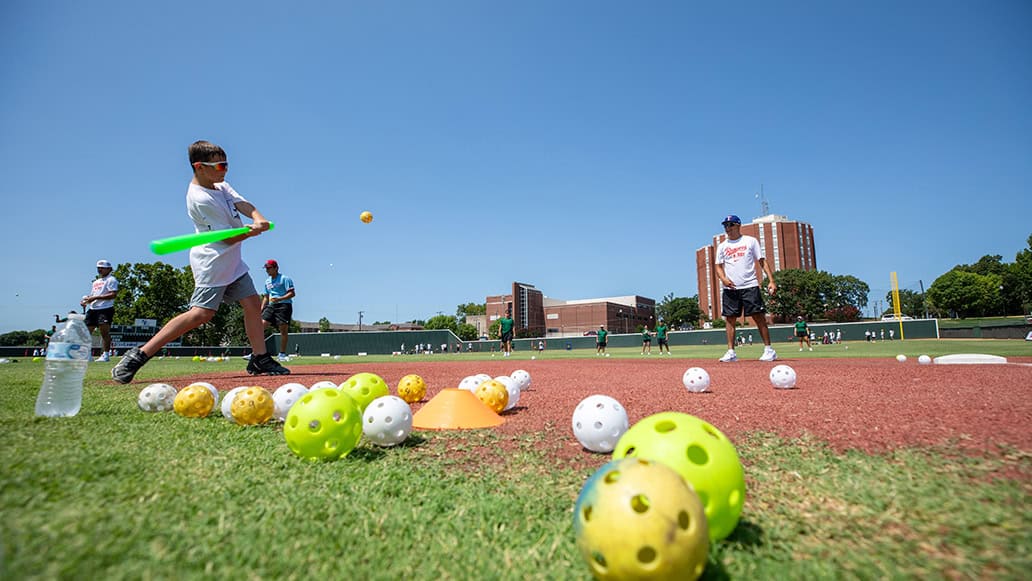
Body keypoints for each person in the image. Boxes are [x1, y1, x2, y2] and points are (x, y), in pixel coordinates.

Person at [112, 140, 289, 383]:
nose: (225, 170)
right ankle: (139, 355)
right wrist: (252, 231)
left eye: (226, 164)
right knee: (200, 315)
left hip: (233, 261)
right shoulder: (199, 198)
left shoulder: (220, 185)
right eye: (219, 166)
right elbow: (227, 239)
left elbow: (243, 204)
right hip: (212, 262)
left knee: (251, 303)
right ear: (199, 167)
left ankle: (260, 357)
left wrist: (259, 218)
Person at [713, 214, 778, 362]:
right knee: (730, 319)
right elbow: (718, 266)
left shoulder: (750, 241)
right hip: (731, 289)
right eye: (725, 226)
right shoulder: (722, 246)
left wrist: (771, 281)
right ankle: (731, 352)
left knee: (758, 317)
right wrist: (723, 279)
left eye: (730, 225)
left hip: (750, 285)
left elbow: (762, 261)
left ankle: (769, 350)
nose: (727, 228)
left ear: (738, 225)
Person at [82, 259, 119, 362]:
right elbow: (93, 295)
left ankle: (105, 355)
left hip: (105, 309)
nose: (100, 270)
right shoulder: (96, 282)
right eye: (98, 268)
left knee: (104, 333)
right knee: (86, 332)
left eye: (102, 268)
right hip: (93, 309)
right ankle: (88, 355)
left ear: (109, 269)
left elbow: (113, 294)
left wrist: (95, 298)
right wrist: (86, 301)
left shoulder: (111, 280)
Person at [259, 259, 295, 361]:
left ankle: (282, 354)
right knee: (260, 328)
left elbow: (292, 293)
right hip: (271, 306)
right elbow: (266, 296)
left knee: (283, 330)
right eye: (266, 268)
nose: (267, 270)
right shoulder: (267, 282)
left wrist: (280, 298)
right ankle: (257, 353)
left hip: (284, 305)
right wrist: (261, 309)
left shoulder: (285, 279)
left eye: (269, 268)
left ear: (276, 268)